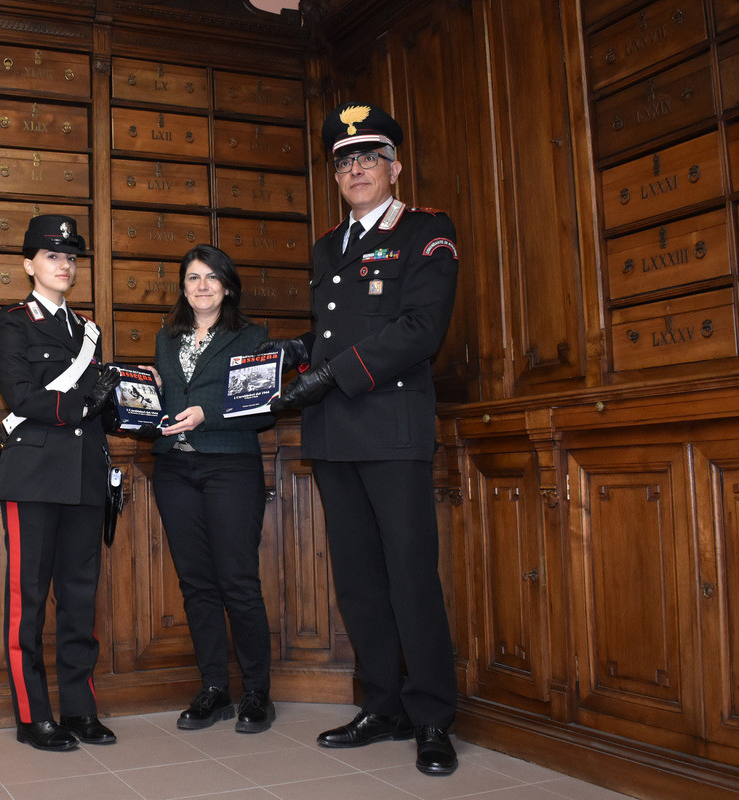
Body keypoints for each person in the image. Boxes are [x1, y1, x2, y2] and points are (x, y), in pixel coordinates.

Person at [258, 102, 461, 775]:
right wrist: (295, 357)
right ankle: (383, 704)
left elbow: (419, 330)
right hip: (335, 433)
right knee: (359, 580)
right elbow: (334, 331)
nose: (356, 169)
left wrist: (328, 376)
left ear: (394, 168)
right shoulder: (329, 245)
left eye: (369, 157)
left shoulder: (426, 232)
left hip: (392, 428)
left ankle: (431, 717)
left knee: (411, 575)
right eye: (345, 162)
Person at [0, 214, 121, 752]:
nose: (64, 265)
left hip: (85, 475)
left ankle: (80, 709)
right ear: (29, 264)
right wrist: (86, 402)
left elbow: (102, 413)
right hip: (35, 476)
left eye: (70, 257)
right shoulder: (12, 321)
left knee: (79, 599)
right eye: (52, 256)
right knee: (27, 603)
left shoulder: (87, 330)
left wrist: (127, 400)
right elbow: (21, 395)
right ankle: (33, 716)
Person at [146, 244, 276, 734]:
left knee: (238, 581)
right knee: (196, 583)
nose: (202, 286)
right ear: (183, 288)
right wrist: (149, 390)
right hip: (174, 471)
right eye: (193, 278)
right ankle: (215, 689)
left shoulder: (252, 336)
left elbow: (261, 408)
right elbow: (166, 402)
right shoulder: (165, 339)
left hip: (230, 468)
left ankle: (257, 692)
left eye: (211, 277)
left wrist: (207, 414)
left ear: (227, 286)